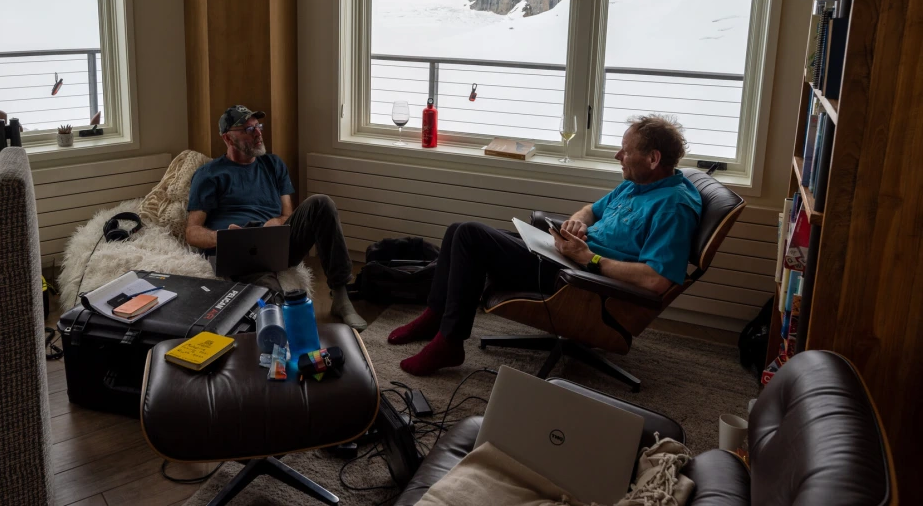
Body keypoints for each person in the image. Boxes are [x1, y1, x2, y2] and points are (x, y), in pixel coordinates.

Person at [389, 114, 701, 375]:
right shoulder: (638, 184)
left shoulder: (674, 207)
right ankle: (435, 317)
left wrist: (590, 258)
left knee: (470, 235)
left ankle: (449, 342)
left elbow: (656, 280)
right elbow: (592, 210)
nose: (618, 156)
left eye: (625, 151)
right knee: (457, 230)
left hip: (579, 283)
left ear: (653, 158)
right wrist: (578, 221)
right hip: (568, 257)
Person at [185, 105, 367, 331]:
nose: (258, 133)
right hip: (240, 247)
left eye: (258, 126)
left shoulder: (273, 164)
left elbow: (287, 214)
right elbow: (192, 231)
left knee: (321, 203)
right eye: (248, 129)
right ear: (228, 139)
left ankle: (341, 298)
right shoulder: (209, 174)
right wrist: (222, 238)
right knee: (274, 310)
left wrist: (277, 223)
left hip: (276, 239)